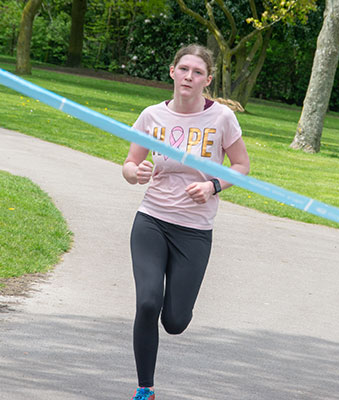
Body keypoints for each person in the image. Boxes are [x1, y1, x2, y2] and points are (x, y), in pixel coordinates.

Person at [121, 44, 250, 400]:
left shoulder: (222, 119)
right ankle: (144, 389)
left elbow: (241, 166)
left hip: (194, 231)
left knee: (175, 321)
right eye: (184, 69)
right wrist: (137, 173)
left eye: (197, 72)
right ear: (172, 72)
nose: (189, 77)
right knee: (148, 302)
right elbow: (129, 165)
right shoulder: (151, 116)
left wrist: (213, 186)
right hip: (152, 219)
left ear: (207, 80)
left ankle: (175, 316)